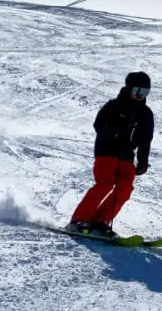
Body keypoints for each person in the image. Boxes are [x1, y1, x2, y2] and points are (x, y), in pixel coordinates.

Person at [66, 71, 154, 237]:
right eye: (137, 91)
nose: (140, 95)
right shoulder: (114, 105)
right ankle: (79, 220)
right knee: (105, 184)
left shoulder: (146, 114)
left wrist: (143, 160)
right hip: (106, 151)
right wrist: (113, 134)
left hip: (127, 155)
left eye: (145, 92)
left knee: (125, 188)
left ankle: (100, 221)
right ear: (129, 88)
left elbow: (145, 138)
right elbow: (99, 124)